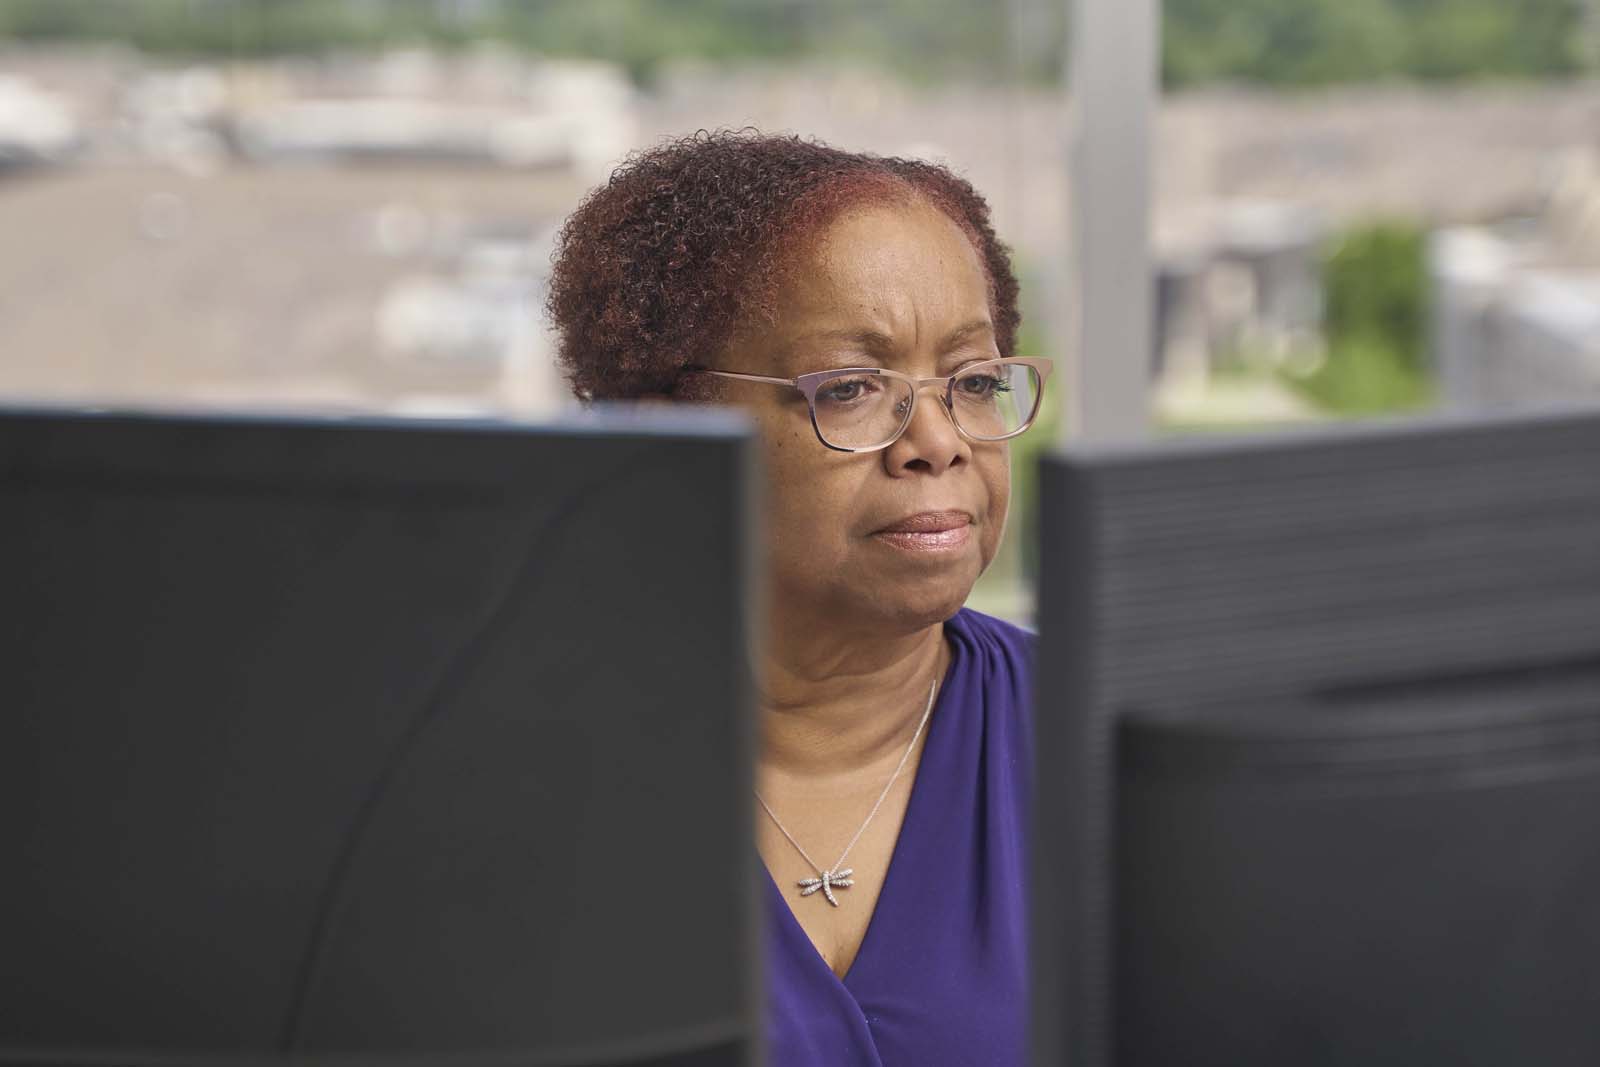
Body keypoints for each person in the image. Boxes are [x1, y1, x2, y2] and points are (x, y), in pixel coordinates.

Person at [546, 130, 1048, 1066]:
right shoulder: (519, 766)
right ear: (669, 430)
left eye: (974, 381)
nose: (937, 441)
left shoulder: (1096, 745)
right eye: (853, 387)